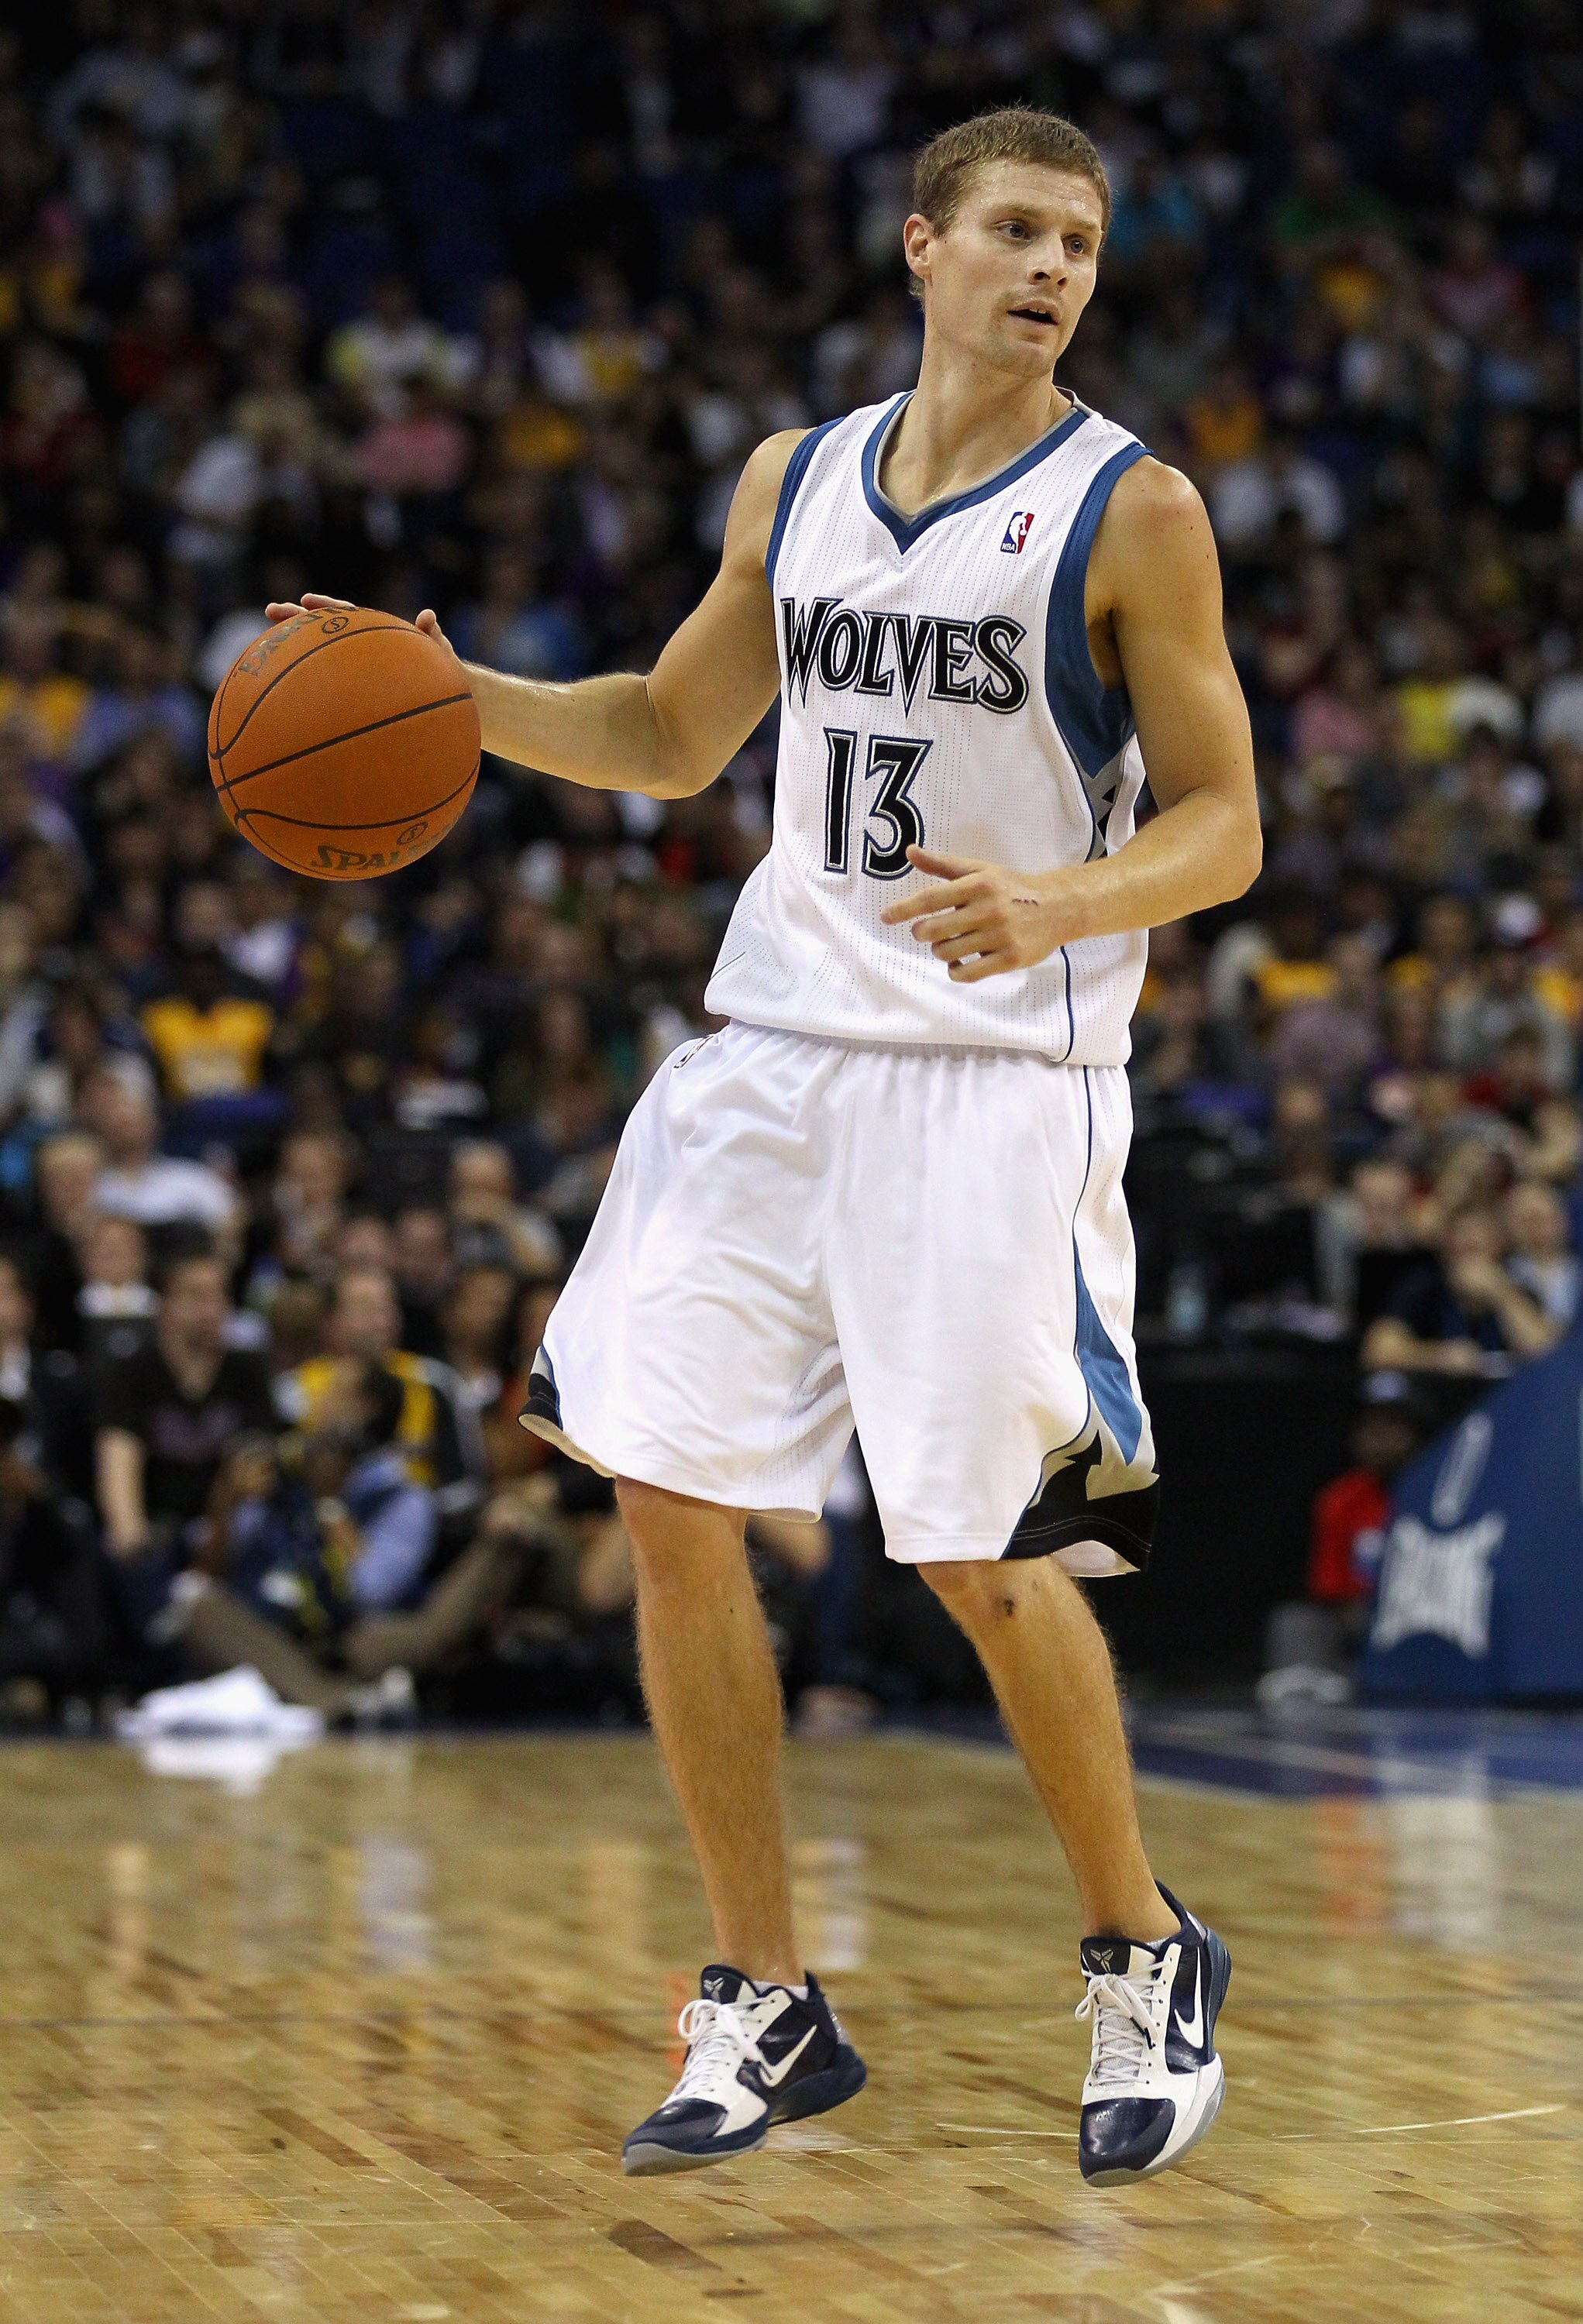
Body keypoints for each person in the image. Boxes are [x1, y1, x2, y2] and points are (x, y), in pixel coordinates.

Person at [270, 108, 1260, 2187]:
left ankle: (1139, 1948)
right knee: (658, 1490)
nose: (1048, 265)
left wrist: (1059, 905)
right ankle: (761, 1998)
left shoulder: (1132, 510)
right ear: (920, 247)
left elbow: (1224, 823)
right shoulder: (791, 480)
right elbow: (663, 734)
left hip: (993, 1086)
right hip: (767, 1054)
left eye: (1077, 240)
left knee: (985, 1557)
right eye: (1009, 227)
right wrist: (449, 698)